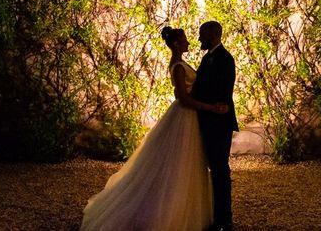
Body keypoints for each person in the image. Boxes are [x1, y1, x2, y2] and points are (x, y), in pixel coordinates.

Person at [81, 27, 229, 231]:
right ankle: (168, 212)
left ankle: (186, 208)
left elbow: (189, 91)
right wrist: (211, 107)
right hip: (185, 116)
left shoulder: (184, 63)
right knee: (177, 164)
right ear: (177, 43)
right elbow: (184, 99)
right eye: (185, 39)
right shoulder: (178, 66)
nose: (190, 41)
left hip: (191, 117)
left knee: (185, 163)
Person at [191, 21, 239, 231]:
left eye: (202, 35)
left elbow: (223, 91)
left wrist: (214, 107)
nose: (199, 39)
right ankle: (217, 217)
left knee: (220, 169)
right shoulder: (207, 58)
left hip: (219, 122)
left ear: (213, 35)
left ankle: (224, 220)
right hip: (208, 119)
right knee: (215, 169)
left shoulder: (225, 59)